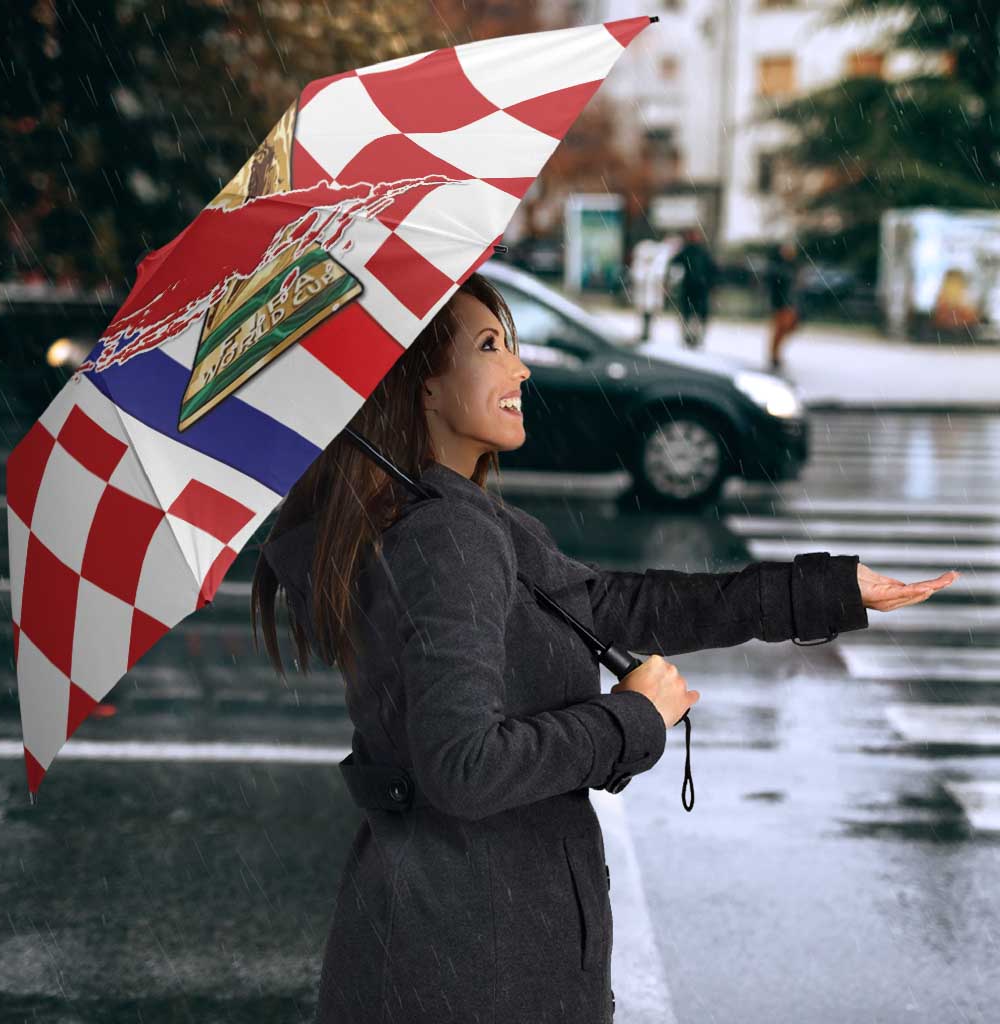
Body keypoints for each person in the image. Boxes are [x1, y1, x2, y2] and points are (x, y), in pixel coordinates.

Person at [251, 271, 958, 1024]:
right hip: (472, 962)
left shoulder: (456, 520)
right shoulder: (445, 536)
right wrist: (631, 719)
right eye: (490, 346)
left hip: (455, 943)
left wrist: (825, 590)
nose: (520, 368)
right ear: (422, 387)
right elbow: (463, 767)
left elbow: (619, 605)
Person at [668, 226, 718, 349]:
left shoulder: (701, 252)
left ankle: (695, 337)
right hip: (691, 288)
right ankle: (689, 337)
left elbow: (712, 270)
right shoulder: (688, 251)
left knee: (696, 315)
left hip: (699, 288)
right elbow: (674, 264)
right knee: (689, 314)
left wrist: (711, 284)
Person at [766, 239, 802, 370]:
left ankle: (775, 354)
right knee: (780, 329)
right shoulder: (778, 267)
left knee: (788, 328)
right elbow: (775, 286)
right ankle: (774, 355)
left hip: (790, 303)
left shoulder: (793, 266)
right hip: (781, 303)